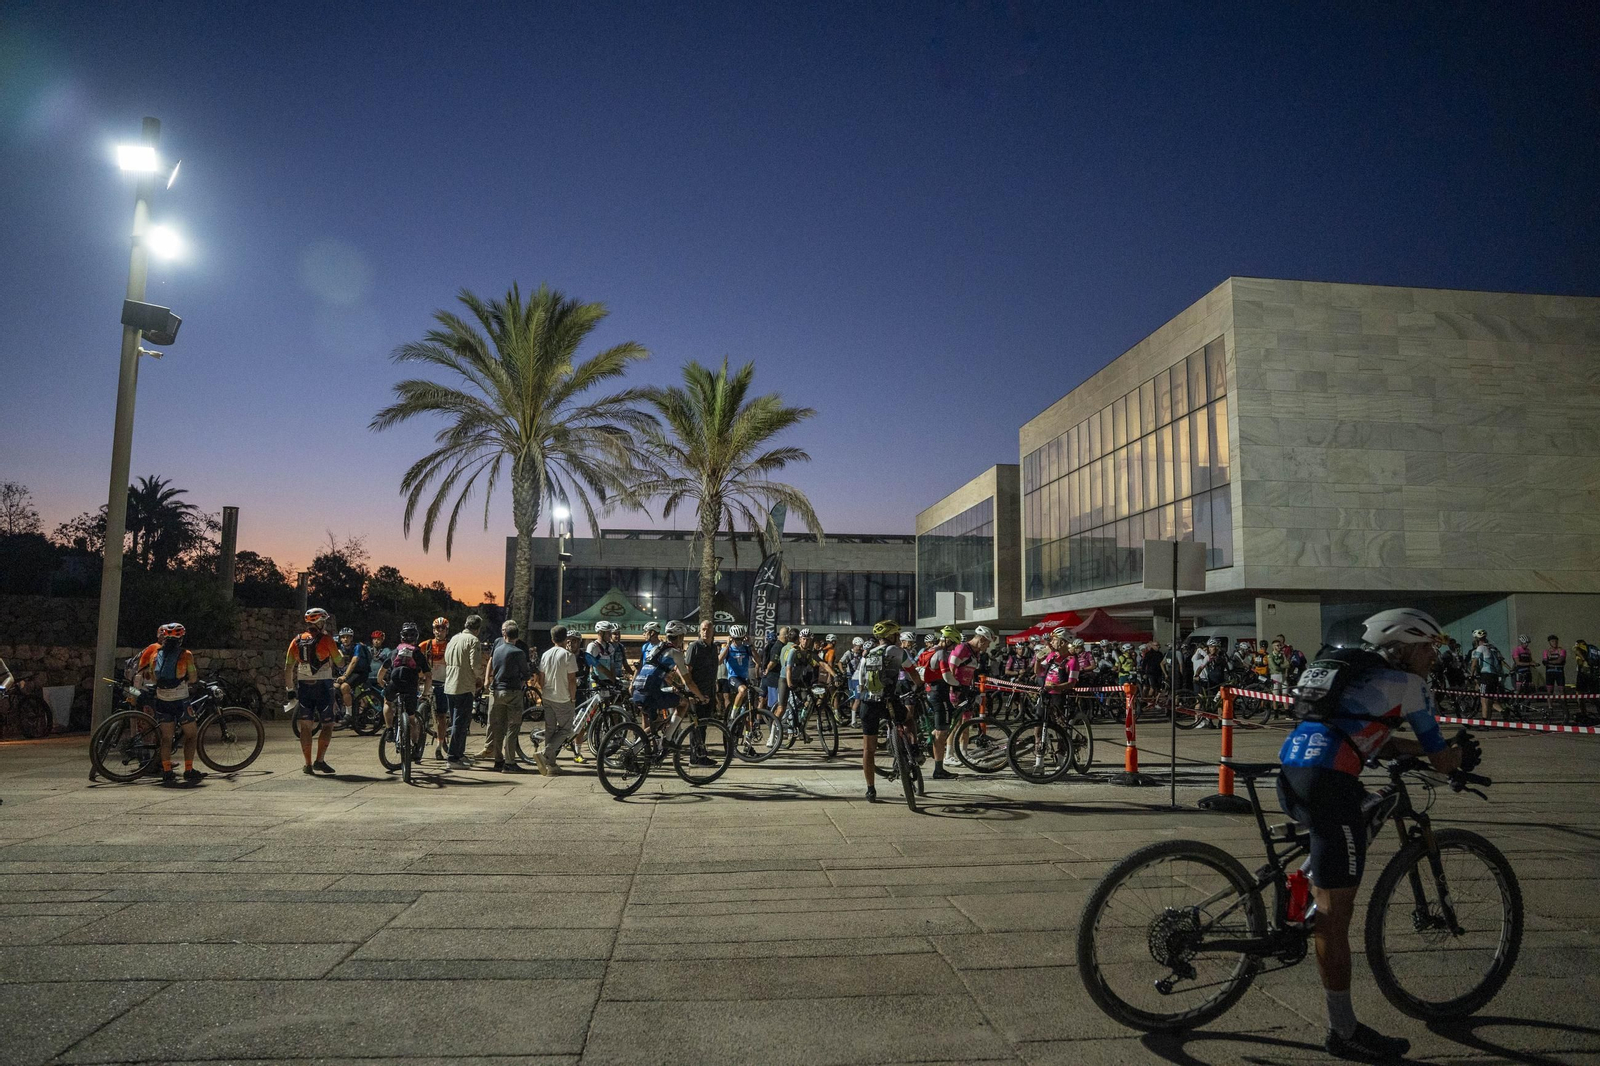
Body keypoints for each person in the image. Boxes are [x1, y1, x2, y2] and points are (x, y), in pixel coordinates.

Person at [1277, 608, 1478, 1062]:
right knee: (1335, 915)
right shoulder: (1410, 686)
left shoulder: (1357, 679)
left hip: (1294, 769)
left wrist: (1422, 753)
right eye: (1427, 646)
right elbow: (1442, 760)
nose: (1433, 655)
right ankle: (1343, 1031)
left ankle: (1296, 897)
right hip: (1329, 781)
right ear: (1403, 648)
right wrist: (1456, 756)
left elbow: (1373, 739)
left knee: (1348, 829)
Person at [857, 619, 923, 802]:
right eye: (896, 635)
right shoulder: (897, 651)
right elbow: (912, 672)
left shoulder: (866, 654)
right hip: (889, 702)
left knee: (868, 749)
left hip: (868, 703)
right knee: (908, 719)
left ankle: (870, 789)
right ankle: (914, 749)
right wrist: (918, 685)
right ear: (891, 636)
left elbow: (861, 683)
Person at [136, 622, 202, 786]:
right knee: (191, 735)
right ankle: (188, 769)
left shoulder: (155, 655)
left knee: (166, 738)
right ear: (181, 638)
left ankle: (166, 771)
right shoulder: (186, 654)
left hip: (162, 701)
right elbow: (193, 678)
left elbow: (152, 677)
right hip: (180, 701)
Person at [284, 607, 344, 775]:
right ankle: (320, 760)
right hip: (323, 686)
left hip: (304, 687)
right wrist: (338, 654)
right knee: (327, 724)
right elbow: (339, 663)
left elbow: (288, 668)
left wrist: (290, 689)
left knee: (305, 726)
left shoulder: (296, 641)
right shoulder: (327, 640)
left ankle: (307, 764)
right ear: (320, 622)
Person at [631, 620, 707, 738]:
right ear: (681, 636)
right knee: (684, 703)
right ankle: (668, 738)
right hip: (651, 693)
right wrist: (701, 697)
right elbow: (689, 682)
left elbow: (661, 673)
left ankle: (636, 748)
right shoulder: (675, 653)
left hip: (638, 690)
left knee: (657, 725)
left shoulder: (656, 649)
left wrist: (676, 686)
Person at [939, 625, 996, 778]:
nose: (988, 646)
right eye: (987, 643)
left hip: (966, 690)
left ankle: (963, 753)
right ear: (981, 639)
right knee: (955, 723)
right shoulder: (962, 648)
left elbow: (970, 673)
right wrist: (952, 689)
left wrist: (973, 691)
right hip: (956, 689)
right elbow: (951, 669)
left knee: (967, 723)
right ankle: (949, 755)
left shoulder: (975, 653)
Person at [475, 619, 530, 771]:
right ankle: (510, 762)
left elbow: (492, 664)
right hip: (512, 691)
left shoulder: (497, 649)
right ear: (517, 637)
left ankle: (498, 759)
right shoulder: (518, 652)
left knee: (498, 726)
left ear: (505, 635)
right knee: (512, 727)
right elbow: (526, 674)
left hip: (497, 690)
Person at [378, 622, 430, 763]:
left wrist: (383, 684)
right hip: (410, 687)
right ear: (416, 638)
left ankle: (389, 729)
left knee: (387, 702)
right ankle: (414, 746)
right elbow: (428, 676)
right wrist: (425, 693)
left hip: (394, 683)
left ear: (402, 637)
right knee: (412, 719)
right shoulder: (418, 653)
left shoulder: (394, 652)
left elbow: (381, 673)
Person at [533, 625, 580, 775]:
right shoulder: (568, 656)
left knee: (550, 730)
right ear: (566, 638)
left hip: (548, 696)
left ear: (552, 639)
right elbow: (572, 680)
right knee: (566, 729)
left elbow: (541, 676)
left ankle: (551, 765)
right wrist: (573, 698)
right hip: (563, 698)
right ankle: (546, 753)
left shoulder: (546, 654)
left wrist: (543, 690)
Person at [443, 615, 484, 767]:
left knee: (456, 721)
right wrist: (480, 678)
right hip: (464, 685)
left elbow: (447, 658)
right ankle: (453, 757)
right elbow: (475, 664)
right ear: (477, 629)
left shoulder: (453, 639)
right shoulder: (473, 641)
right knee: (461, 723)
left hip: (450, 684)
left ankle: (459, 754)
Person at [418, 618, 452, 760]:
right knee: (416, 713)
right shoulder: (425, 645)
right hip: (427, 683)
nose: (440, 631)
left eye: (443, 628)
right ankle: (415, 742)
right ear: (433, 630)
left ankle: (439, 746)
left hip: (443, 684)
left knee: (441, 716)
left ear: (446, 631)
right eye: (437, 628)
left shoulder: (450, 646)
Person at [334, 628, 371, 723]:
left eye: (347, 637)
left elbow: (354, 662)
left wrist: (345, 676)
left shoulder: (357, 647)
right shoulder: (340, 648)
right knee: (334, 687)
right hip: (350, 673)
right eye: (343, 637)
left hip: (361, 672)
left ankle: (349, 714)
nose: (345, 639)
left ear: (351, 638)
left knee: (344, 687)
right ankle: (342, 709)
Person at [719, 624, 754, 716]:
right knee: (743, 690)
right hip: (733, 677)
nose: (739, 642)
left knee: (748, 706)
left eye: (741, 639)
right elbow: (719, 661)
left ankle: (748, 730)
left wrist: (751, 645)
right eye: (736, 639)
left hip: (745, 678)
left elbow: (758, 661)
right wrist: (727, 645)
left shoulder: (746, 649)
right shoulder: (727, 649)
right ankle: (733, 714)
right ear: (732, 638)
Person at [1469, 630, 1505, 717]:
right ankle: (1488, 722)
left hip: (1486, 675)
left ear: (1477, 640)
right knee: (1490, 700)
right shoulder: (1493, 647)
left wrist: (1471, 675)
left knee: (1484, 701)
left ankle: (1485, 724)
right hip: (1495, 676)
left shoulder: (1480, 648)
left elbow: (1474, 663)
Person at [761, 626, 791, 713]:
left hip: (777, 677)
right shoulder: (777, 646)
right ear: (785, 636)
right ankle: (773, 720)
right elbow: (773, 661)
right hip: (773, 678)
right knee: (775, 703)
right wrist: (767, 670)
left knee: (778, 701)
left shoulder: (781, 645)